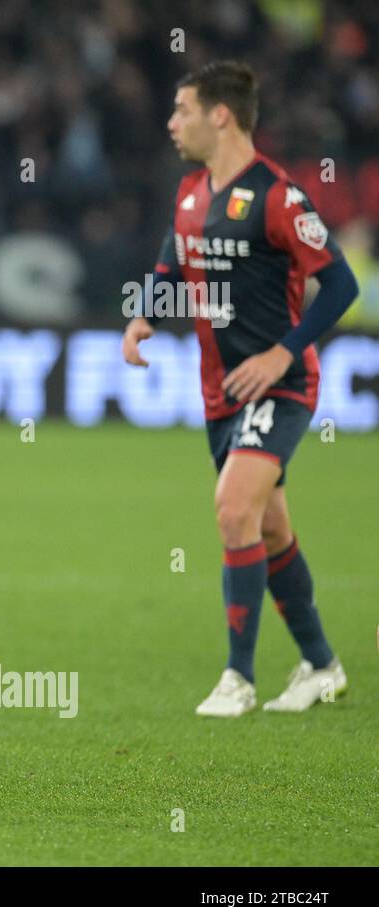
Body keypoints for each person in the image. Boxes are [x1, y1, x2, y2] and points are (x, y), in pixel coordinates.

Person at [121, 63, 358, 717]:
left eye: (182, 110)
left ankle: (239, 678)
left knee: (232, 511)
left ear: (219, 115)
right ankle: (320, 665)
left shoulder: (279, 197)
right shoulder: (193, 193)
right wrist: (146, 313)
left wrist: (283, 353)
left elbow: (340, 285)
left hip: (280, 384)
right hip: (220, 392)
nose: (172, 123)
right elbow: (173, 263)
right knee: (270, 528)